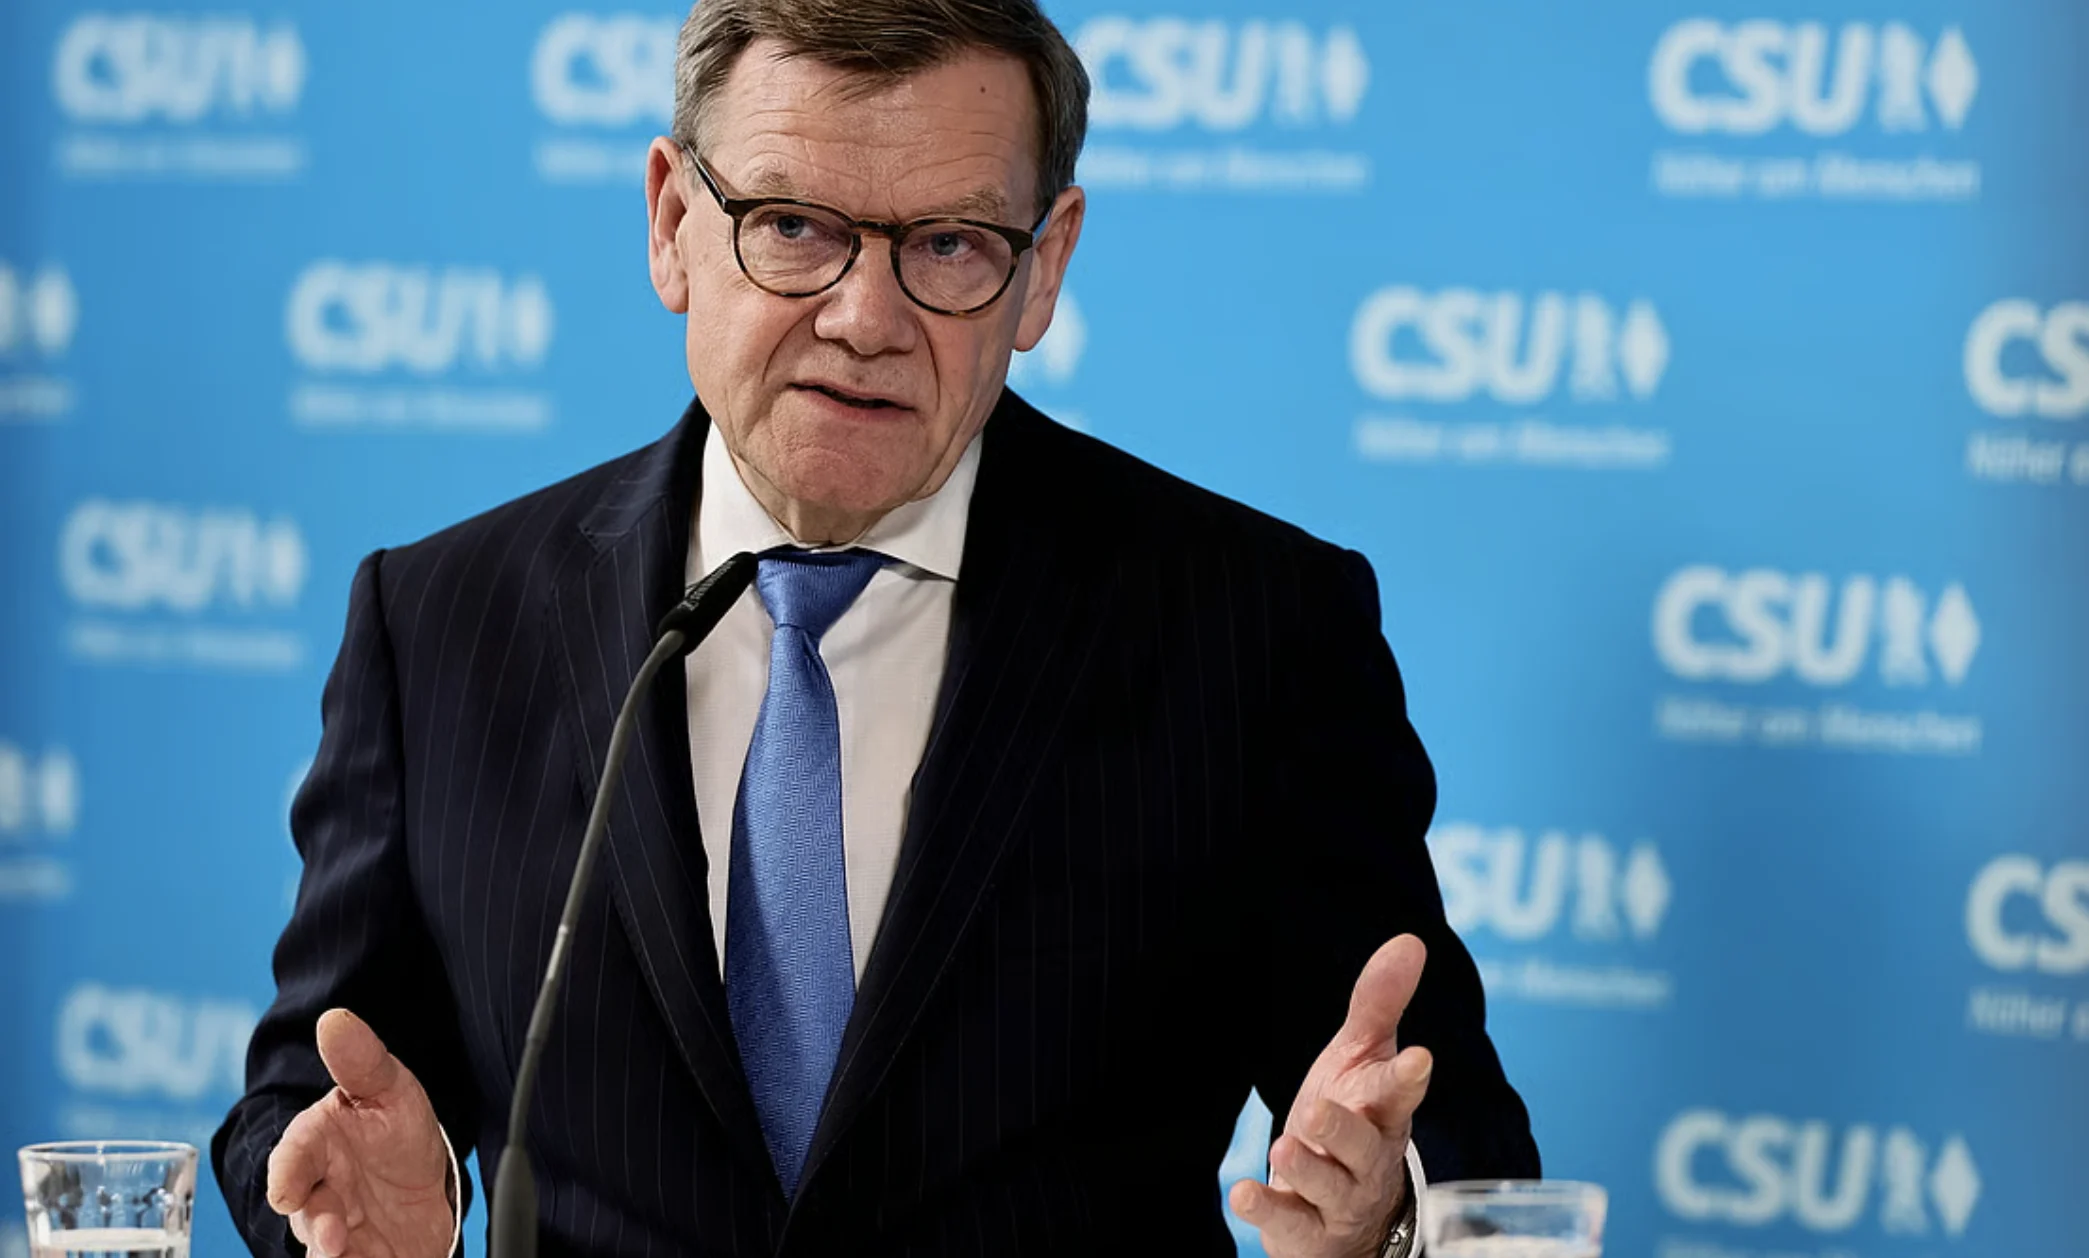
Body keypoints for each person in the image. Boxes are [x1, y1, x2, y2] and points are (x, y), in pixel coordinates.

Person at [211, 1, 1539, 1254]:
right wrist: (397, 1211)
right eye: (793, 225)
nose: (864, 318)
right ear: (673, 223)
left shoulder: (1256, 631)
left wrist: (1381, 1219)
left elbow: (1453, 1146)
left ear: (1043, 269)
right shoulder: (439, 621)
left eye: (950, 244)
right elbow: (305, 1100)